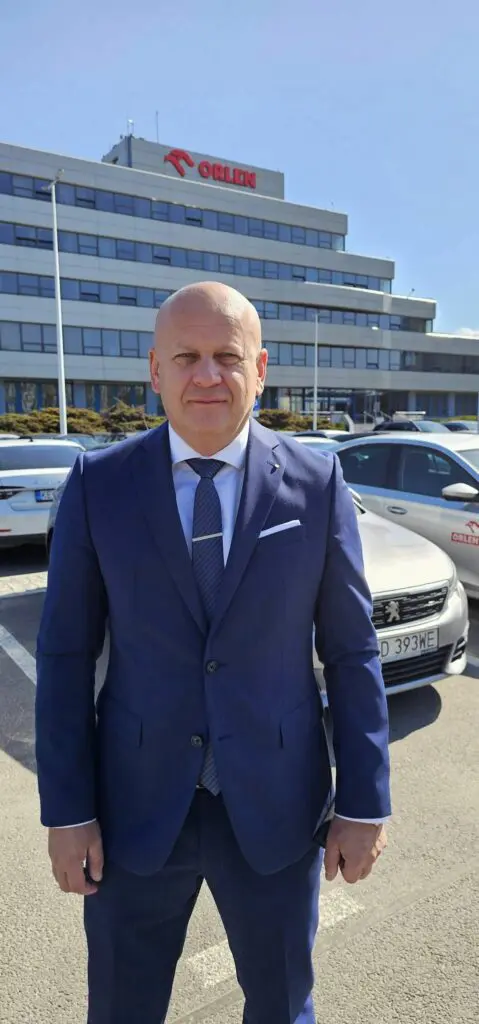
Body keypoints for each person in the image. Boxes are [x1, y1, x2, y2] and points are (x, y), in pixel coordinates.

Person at [36, 282, 391, 1024]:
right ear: (153, 370)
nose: (207, 375)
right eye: (186, 357)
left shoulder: (316, 482)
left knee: (281, 1006)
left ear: (259, 369)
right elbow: (65, 656)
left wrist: (364, 801)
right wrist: (66, 812)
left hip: (276, 805)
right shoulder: (98, 485)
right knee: (122, 1009)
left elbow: (351, 649)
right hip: (133, 809)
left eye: (226, 356)